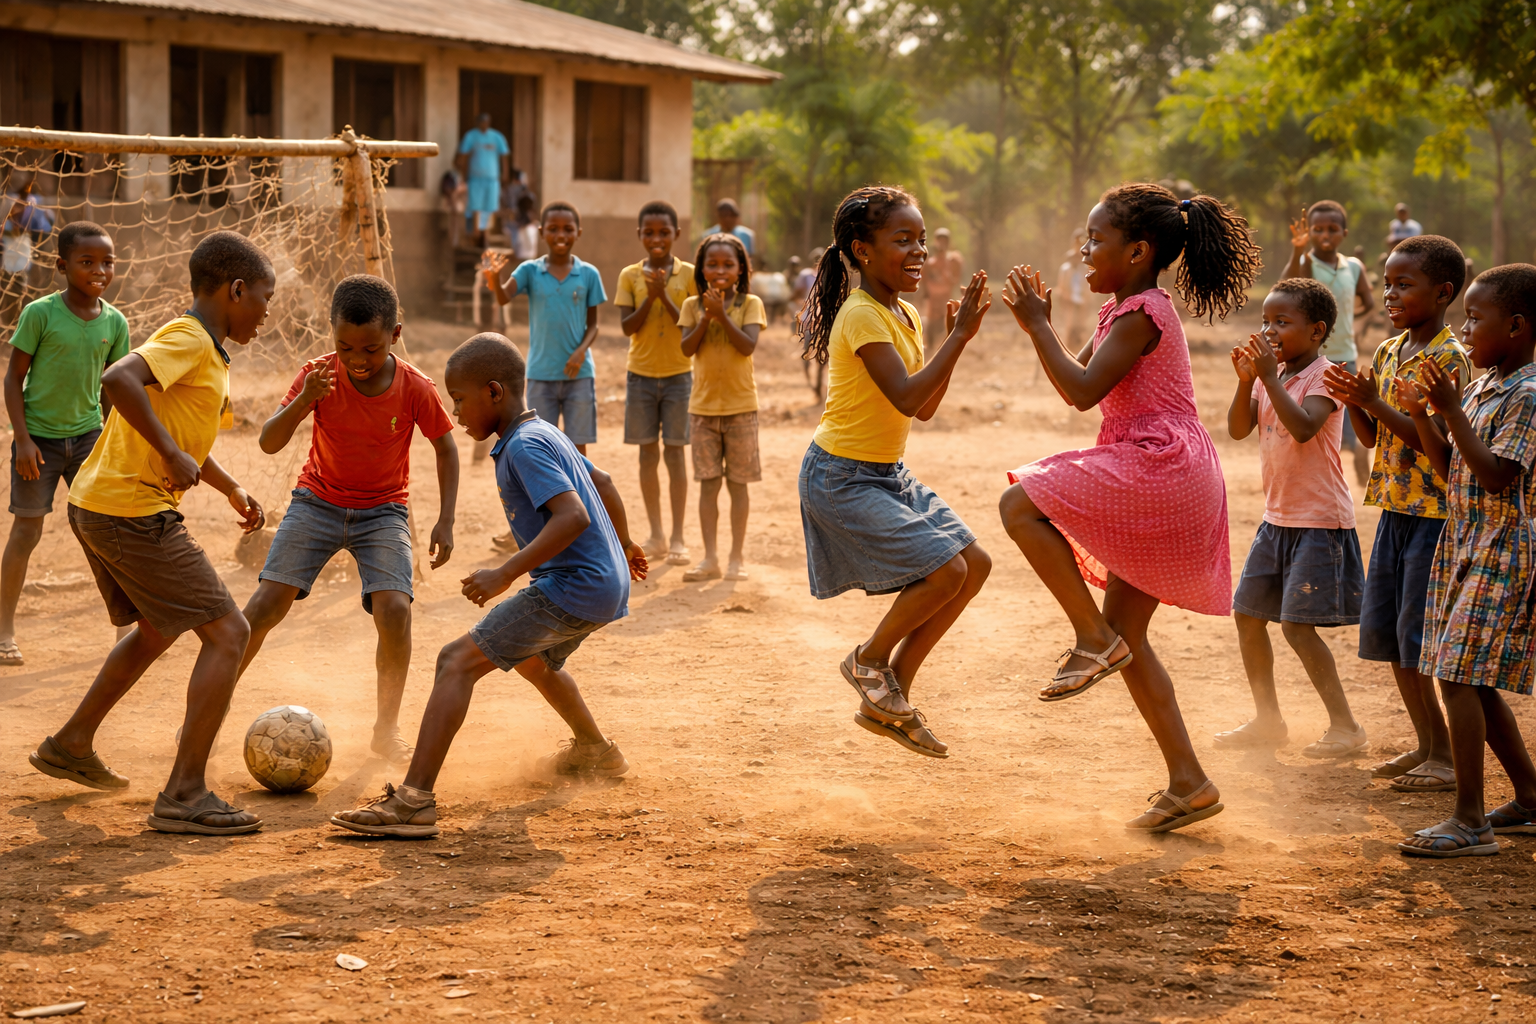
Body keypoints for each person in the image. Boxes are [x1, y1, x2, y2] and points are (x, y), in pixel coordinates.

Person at [999, 184, 1261, 833]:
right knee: (1132, 640)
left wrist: (1036, 324)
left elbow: (1082, 392)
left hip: (1159, 463)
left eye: (1095, 241)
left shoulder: (1143, 311)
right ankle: (1190, 783)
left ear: (1138, 251)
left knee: (1018, 504)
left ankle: (1090, 639)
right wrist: (1045, 327)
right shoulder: (1126, 309)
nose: (1083, 251)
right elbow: (1076, 382)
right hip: (1171, 469)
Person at [331, 333, 647, 838]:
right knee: (530, 658)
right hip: (603, 584)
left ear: (494, 392)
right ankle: (596, 750)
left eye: (459, 398)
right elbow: (604, 482)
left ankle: (413, 801)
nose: (454, 410)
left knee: (455, 662)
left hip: (574, 585)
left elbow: (572, 516)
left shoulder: (524, 447)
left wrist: (506, 572)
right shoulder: (544, 430)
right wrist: (626, 545)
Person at [27, 231, 273, 835]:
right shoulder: (188, 336)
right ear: (235, 290)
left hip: (101, 504)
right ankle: (186, 792)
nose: (268, 313)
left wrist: (229, 487)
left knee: (159, 628)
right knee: (229, 633)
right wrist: (167, 451)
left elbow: (186, 440)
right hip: (128, 511)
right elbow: (117, 379)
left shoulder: (207, 353)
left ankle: (71, 743)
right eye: (264, 299)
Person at [798, 186, 993, 760]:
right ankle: (868, 662)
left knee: (972, 565)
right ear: (861, 251)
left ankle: (890, 692)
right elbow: (908, 398)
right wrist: (956, 337)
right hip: (840, 477)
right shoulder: (861, 315)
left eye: (921, 240)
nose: (918, 251)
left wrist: (956, 344)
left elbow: (923, 406)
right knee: (944, 571)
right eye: (902, 240)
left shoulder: (902, 311)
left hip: (885, 472)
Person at [234, 274, 459, 765]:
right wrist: (305, 399)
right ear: (331, 334)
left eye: (371, 349)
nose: (357, 359)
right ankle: (211, 705)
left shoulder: (415, 386)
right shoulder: (318, 375)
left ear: (395, 335)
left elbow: (445, 446)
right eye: (345, 346)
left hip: (383, 511)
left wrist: (445, 519)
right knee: (265, 606)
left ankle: (386, 728)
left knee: (395, 612)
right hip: (316, 502)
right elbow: (269, 441)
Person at [1394, 264, 1536, 857]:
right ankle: (1530, 797)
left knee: (1457, 673)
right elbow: (1452, 462)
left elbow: (1499, 476)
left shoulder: (1528, 393)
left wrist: (1448, 409)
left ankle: (1470, 820)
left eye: (1477, 319)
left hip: (1503, 547)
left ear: (1519, 326)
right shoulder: (1484, 385)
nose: (1468, 329)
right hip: (1466, 540)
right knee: (1470, 678)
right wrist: (1426, 414)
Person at [1323, 235, 1470, 795]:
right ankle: (1427, 744)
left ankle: (1446, 756)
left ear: (1443, 292)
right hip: (1393, 508)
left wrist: (1374, 402)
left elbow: (1427, 435)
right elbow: (1372, 435)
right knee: (1391, 636)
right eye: (1387, 283)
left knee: (1418, 636)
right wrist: (1359, 402)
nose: (1389, 293)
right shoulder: (1388, 351)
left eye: (1403, 285)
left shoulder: (1449, 359)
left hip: (1434, 514)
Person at [1219, 278, 1367, 757]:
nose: (1270, 331)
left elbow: (1304, 428)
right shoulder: (1275, 376)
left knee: (1297, 626)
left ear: (1317, 330)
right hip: (1277, 517)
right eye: (1266, 321)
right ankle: (1268, 720)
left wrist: (1265, 378)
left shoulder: (1327, 375)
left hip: (1319, 521)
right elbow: (1238, 429)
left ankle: (1346, 727)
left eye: (1282, 322)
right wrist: (1248, 383)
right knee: (1248, 615)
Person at [0, 222, 129, 667]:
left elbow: (114, 391)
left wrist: (117, 445)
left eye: (107, 262)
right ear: (62, 265)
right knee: (27, 532)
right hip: (38, 443)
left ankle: (126, 631)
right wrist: (22, 439)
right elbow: (13, 380)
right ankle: (3, 633)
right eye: (87, 262)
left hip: (91, 440)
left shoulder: (115, 322)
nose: (99, 270)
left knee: (107, 531)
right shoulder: (40, 313)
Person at [679, 233, 766, 582]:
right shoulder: (691, 306)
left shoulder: (750, 303)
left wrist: (722, 315)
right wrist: (706, 317)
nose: (720, 270)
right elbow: (687, 350)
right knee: (708, 485)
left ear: (740, 268)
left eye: (728, 264)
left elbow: (747, 347)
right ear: (701, 269)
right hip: (702, 410)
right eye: (712, 264)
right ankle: (710, 557)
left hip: (741, 408)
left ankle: (736, 557)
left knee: (739, 485)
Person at [484, 202, 605, 454]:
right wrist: (495, 278)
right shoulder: (530, 270)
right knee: (544, 445)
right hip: (541, 374)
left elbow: (594, 325)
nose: (560, 235)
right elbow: (504, 297)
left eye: (567, 229)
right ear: (541, 232)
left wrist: (581, 350)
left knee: (577, 446)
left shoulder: (589, 274)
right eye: (553, 228)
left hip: (578, 374)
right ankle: (553, 494)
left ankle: (578, 492)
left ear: (578, 232)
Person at [614, 200, 696, 567]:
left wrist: (663, 293)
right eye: (649, 233)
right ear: (639, 236)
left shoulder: (692, 275)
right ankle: (657, 532)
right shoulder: (630, 276)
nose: (657, 239)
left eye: (664, 232)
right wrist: (651, 294)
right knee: (648, 453)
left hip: (679, 375)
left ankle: (678, 535)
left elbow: (691, 326)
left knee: (675, 453)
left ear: (677, 234)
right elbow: (628, 326)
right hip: (641, 376)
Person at [1281, 200, 1375, 486]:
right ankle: (1313, 467)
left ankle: (1355, 450)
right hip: (1309, 354)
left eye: (1332, 229)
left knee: (1345, 408)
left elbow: (1368, 303)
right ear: (1309, 232)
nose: (1325, 235)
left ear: (1344, 233)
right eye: (1318, 229)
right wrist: (1298, 251)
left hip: (1344, 351)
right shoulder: (1306, 262)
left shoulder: (1354, 267)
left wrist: (1352, 326)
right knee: (1312, 412)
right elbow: (1286, 292)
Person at [457, 113, 510, 249]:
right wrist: (462, 175)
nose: (484, 124)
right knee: (475, 207)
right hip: (475, 178)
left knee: (490, 207)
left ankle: (485, 234)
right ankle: (475, 234)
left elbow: (504, 157)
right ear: (477, 122)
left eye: (486, 122)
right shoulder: (471, 136)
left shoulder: (497, 137)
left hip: (492, 178)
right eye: (481, 122)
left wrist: (505, 173)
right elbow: (463, 155)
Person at [922, 228, 965, 337]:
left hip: (946, 298)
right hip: (933, 299)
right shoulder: (929, 263)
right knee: (931, 323)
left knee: (947, 322)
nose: (941, 243)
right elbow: (924, 280)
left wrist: (948, 276)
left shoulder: (954, 260)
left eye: (944, 241)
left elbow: (956, 279)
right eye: (939, 240)